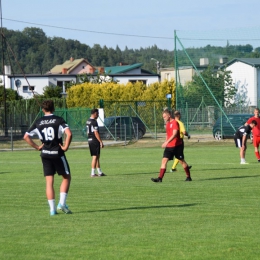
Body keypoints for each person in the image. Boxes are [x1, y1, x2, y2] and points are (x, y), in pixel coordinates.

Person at [23, 100, 72, 216]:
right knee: (66, 177)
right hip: (57, 153)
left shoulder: (38, 122)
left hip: (45, 153)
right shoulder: (59, 120)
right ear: (53, 108)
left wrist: (37, 147)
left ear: (43, 110)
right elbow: (69, 134)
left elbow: (26, 137)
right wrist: (65, 147)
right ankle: (62, 204)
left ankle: (52, 210)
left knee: (49, 182)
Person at [151, 109, 192, 182]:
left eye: (164, 117)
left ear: (169, 115)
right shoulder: (167, 124)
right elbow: (168, 135)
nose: (164, 118)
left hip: (177, 146)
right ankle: (160, 178)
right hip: (169, 147)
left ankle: (188, 177)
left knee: (181, 161)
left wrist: (166, 142)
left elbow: (174, 134)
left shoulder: (175, 123)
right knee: (164, 161)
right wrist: (166, 142)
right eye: (163, 117)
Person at [86, 108, 106, 177]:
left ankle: (99, 172)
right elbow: (96, 132)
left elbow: (87, 132)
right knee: (95, 156)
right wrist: (101, 142)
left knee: (97, 156)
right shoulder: (94, 122)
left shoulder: (88, 121)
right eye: (97, 114)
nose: (98, 115)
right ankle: (92, 173)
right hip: (94, 140)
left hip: (90, 139)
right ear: (94, 113)